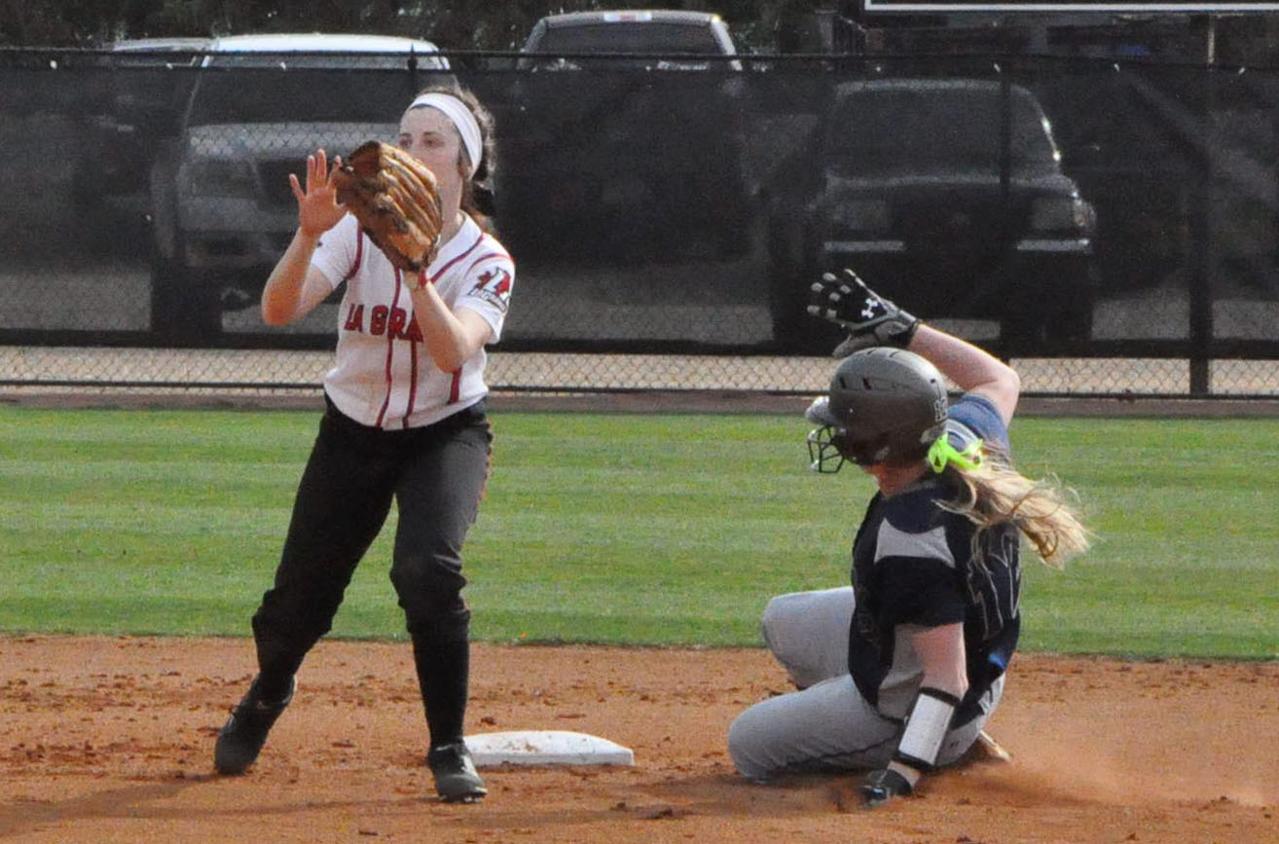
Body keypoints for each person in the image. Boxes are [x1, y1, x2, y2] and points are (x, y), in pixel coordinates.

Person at [212, 82, 511, 804]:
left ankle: (447, 745)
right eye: (404, 138)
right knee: (298, 603)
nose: (410, 152)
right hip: (352, 430)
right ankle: (269, 689)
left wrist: (414, 271)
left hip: (444, 434)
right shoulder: (353, 229)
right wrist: (311, 231)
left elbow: (451, 352)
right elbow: (278, 309)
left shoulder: (484, 260)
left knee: (427, 572)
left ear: (463, 167)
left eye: (431, 141)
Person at [728, 269, 1090, 807]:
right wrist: (899, 327)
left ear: (874, 448)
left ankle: (915, 746)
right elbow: (999, 379)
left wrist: (901, 774)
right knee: (784, 618)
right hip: (978, 664)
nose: (834, 433)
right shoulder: (963, 442)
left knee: (749, 747)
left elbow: (945, 679)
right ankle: (869, 722)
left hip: (936, 701)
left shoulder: (912, 537)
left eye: (844, 427)